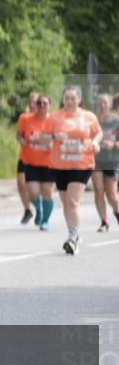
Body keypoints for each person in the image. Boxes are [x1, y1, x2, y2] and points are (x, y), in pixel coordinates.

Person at [41, 86, 102, 254]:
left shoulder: (89, 117)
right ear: (63, 99)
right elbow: (42, 136)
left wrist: (96, 142)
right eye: (66, 98)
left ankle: (72, 238)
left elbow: (99, 133)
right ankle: (73, 233)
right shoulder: (54, 117)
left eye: (73, 98)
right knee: (66, 202)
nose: (69, 101)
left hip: (82, 164)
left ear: (79, 99)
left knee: (73, 201)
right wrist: (54, 137)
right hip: (60, 165)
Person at [20, 94, 55, 231]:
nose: (41, 106)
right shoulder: (27, 119)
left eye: (44, 103)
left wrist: (49, 143)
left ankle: (45, 220)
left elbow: (58, 139)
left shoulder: (53, 121)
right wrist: (22, 140)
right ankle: (39, 209)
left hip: (48, 163)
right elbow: (20, 134)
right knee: (33, 193)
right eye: (39, 103)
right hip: (31, 162)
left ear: (49, 106)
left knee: (47, 192)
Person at [91, 93, 119, 231]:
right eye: (100, 102)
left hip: (113, 160)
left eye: (105, 103)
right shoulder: (93, 120)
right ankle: (104, 222)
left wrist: (113, 145)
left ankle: (117, 211)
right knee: (98, 191)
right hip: (96, 160)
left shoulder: (117, 121)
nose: (102, 105)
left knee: (111, 194)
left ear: (110, 105)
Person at [15, 93, 39, 224]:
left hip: (40, 158)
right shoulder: (24, 118)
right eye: (30, 102)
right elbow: (18, 135)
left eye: (34, 102)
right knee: (21, 183)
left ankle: (40, 208)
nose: (32, 104)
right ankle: (27, 210)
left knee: (35, 187)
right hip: (25, 156)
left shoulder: (45, 118)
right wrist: (22, 140)